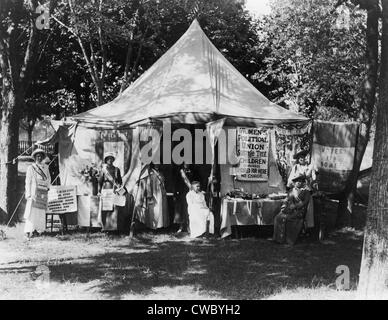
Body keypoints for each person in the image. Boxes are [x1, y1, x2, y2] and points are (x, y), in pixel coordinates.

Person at [273, 174, 311, 245]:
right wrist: (283, 207)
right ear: (294, 183)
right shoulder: (291, 191)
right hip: (288, 209)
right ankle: (279, 239)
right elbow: (286, 200)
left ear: (303, 183)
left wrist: (296, 206)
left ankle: (289, 240)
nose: (299, 183)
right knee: (278, 217)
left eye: (301, 181)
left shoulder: (306, 192)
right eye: (297, 181)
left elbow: (305, 202)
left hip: (299, 211)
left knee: (289, 218)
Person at [24, 148, 51, 239]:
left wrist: (48, 188)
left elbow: (48, 179)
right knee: (31, 212)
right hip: (33, 192)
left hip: (43, 192)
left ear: (43, 157)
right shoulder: (31, 168)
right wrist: (28, 193)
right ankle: (28, 231)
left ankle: (37, 230)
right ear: (35, 157)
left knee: (40, 212)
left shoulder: (46, 167)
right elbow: (28, 181)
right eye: (37, 156)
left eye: (41, 156)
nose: (39, 158)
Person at [134, 162, 170, 230]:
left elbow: (163, 182)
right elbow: (147, 183)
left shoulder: (160, 173)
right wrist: (149, 194)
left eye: (158, 163)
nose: (157, 164)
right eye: (156, 163)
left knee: (161, 208)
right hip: (154, 192)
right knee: (154, 209)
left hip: (161, 192)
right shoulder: (150, 172)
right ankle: (153, 226)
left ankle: (161, 225)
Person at [98, 152, 124, 231]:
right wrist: (99, 191)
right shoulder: (103, 170)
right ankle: (105, 227)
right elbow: (100, 182)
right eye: (108, 158)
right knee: (105, 209)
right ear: (106, 160)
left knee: (114, 209)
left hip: (114, 191)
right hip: (105, 191)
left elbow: (119, 181)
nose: (110, 160)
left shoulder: (117, 169)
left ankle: (113, 227)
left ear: (113, 160)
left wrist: (119, 187)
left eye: (111, 158)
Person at [174, 163, 199, 233]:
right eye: (185, 163)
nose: (187, 164)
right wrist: (176, 192)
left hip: (190, 193)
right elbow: (176, 182)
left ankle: (189, 227)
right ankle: (181, 227)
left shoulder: (193, 172)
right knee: (181, 210)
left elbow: (195, 182)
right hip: (182, 193)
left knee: (189, 210)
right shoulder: (180, 172)